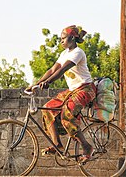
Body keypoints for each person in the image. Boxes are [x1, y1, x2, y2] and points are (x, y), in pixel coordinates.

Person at [27, 25, 96, 162]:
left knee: (67, 115)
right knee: (48, 109)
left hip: (85, 89)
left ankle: (87, 147)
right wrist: (36, 84)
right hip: (72, 91)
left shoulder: (78, 52)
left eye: (63, 38)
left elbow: (61, 71)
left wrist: (48, 82)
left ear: (72, 37)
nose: (61, 41)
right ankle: (57, 145)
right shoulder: (64, 54)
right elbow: (52, 70)